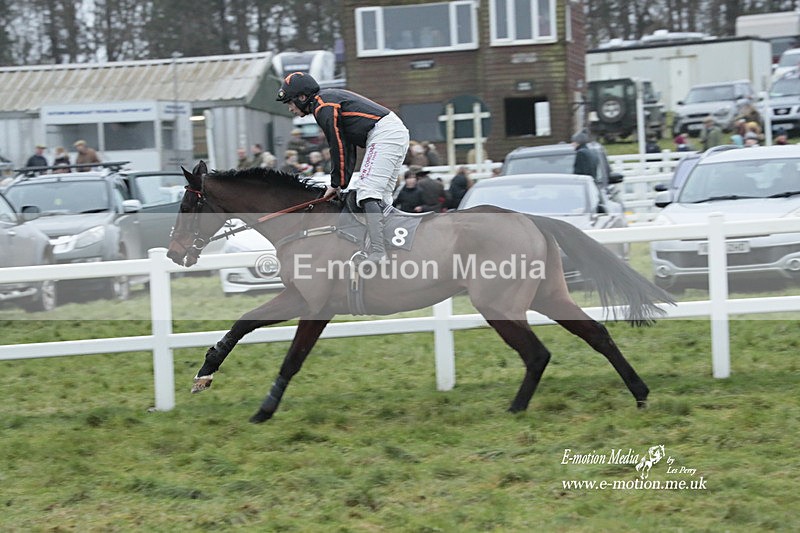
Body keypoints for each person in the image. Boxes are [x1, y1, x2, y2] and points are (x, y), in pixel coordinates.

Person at [277, 71, 410, 265]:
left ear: (302, 97)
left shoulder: (323, 106)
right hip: (392, 132)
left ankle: (379, 253)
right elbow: (346, 147)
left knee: (367, 192)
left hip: (384, 134)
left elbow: (337, 145)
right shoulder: (324, 102)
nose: (290, 109)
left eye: (290, 102)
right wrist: (340, 183)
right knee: (381, 197)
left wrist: (336, 183)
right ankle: (391, 247)